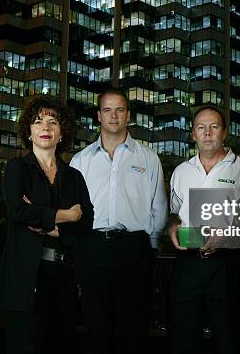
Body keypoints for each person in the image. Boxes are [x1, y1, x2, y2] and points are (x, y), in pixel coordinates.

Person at [0, 95, 94, 354]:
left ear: (63, 132)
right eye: (38, 122)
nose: (45, 128)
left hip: (65, 277)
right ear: (29, 131)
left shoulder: (74, 176)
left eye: (53, 122)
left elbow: (87, 221)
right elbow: (19, 211)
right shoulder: (17, 169)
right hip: (26, 278)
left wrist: (51, 224)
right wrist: (68, 216)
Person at [70, 88, 167, 354]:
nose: (113, 116)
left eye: (120, 110)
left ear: (128, 116)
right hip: (92, 247)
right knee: (95, 326)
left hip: (134, 249)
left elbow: (158, 206)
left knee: (133, 329)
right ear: (98, 116)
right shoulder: (81, 160)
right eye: (107, 110)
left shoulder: (148, 158)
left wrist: (151, 247)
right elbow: (74, 209)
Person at [167, 105, 240, 354]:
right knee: (183, 336)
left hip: (227, 262)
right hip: (188, 259)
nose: (207, 133)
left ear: (224, 133)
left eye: (214, 127)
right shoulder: (181, 171)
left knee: (229, 337)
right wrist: (173, 228)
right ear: (193, 134)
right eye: (201, 127)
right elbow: (174, 214)